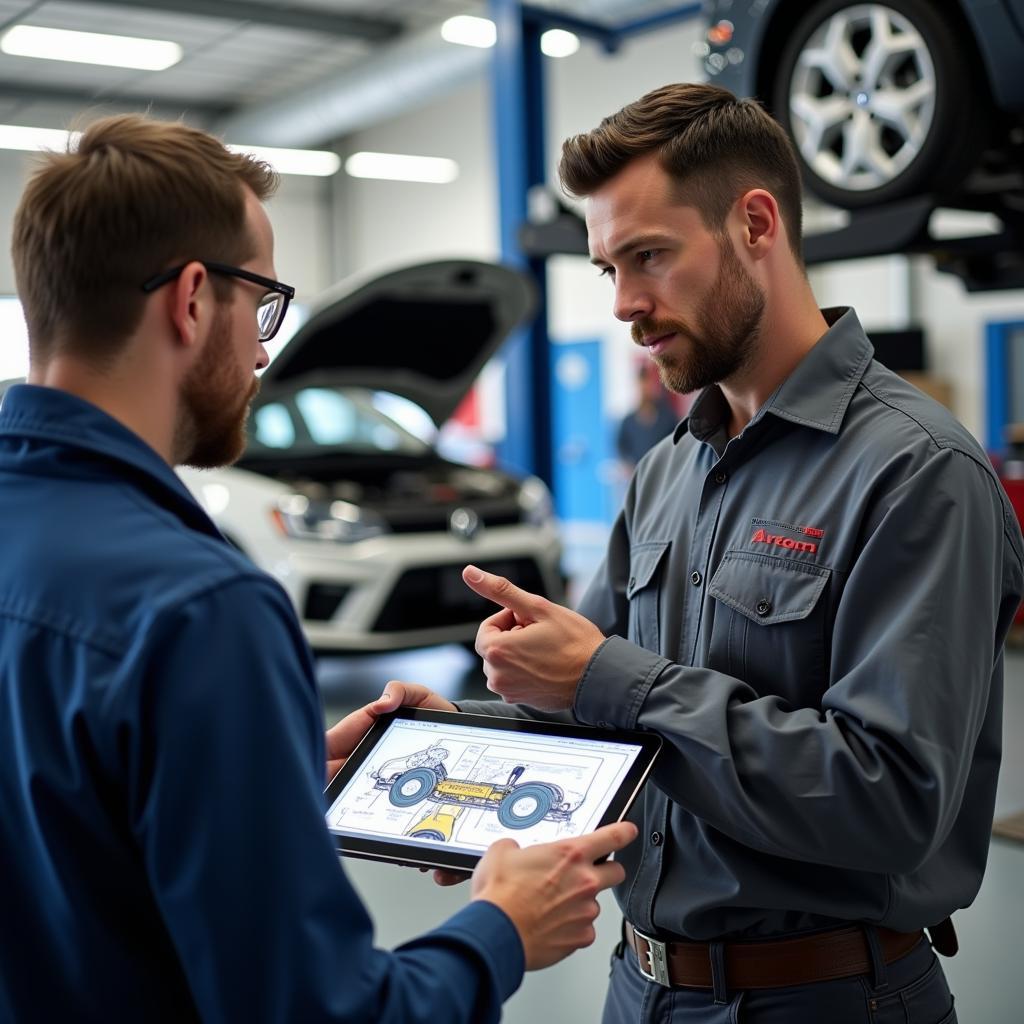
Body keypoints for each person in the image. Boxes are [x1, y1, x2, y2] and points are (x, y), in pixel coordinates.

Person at [329, 82, 1024, 1022]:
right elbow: (604, 723)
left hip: (826, 999)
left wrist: (612, 677)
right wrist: (450, 745)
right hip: (642, 988)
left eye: (648, 256)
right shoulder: (667, 471)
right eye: (608, 267)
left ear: (755, 224)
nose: (623, 303)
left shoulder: (916, 472)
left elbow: (889, 801)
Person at [0, 113, 638, 1024]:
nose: (264, 350)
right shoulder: (199, 609)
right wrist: (501, 927)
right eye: (261, 302)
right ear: (189, 299)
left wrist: (267, 769)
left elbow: (59, 810)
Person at [615, 364, 679, 470]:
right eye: (641, 385)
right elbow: (621, 448)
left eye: (647, 384)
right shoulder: (628, 422)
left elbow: (678, 442)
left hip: (664, 473)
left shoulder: (667, 417)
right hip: (639, 475)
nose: (644, 389)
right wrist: (628, 467)